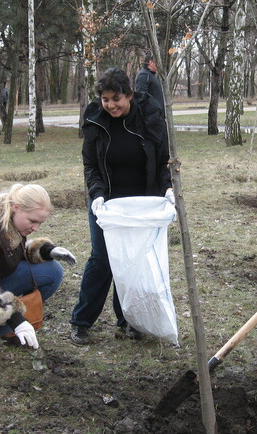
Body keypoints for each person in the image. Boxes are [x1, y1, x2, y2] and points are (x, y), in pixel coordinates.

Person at [70, 67, 174, 345]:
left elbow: (164, 158)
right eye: (105, 99)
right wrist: (97, 194)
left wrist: (167, 189)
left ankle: (128, 319)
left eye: (116, 98)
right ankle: (81, 321)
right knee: (102, 259)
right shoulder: (95, 118)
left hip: (142, 203)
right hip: (107, 203)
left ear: (129, 94)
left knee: (133, 261)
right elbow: (90, 163)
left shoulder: (149, 114)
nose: (111, 105)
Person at [0, 183, 76, 373]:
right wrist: (17, 321)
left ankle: (6, 329)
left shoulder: (9, 217)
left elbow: (10, 253)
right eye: (33, 221)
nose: (36, 228)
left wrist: (48, 250)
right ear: (16, 207)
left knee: (52, 272)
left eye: (40, 223)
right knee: (4, 312)